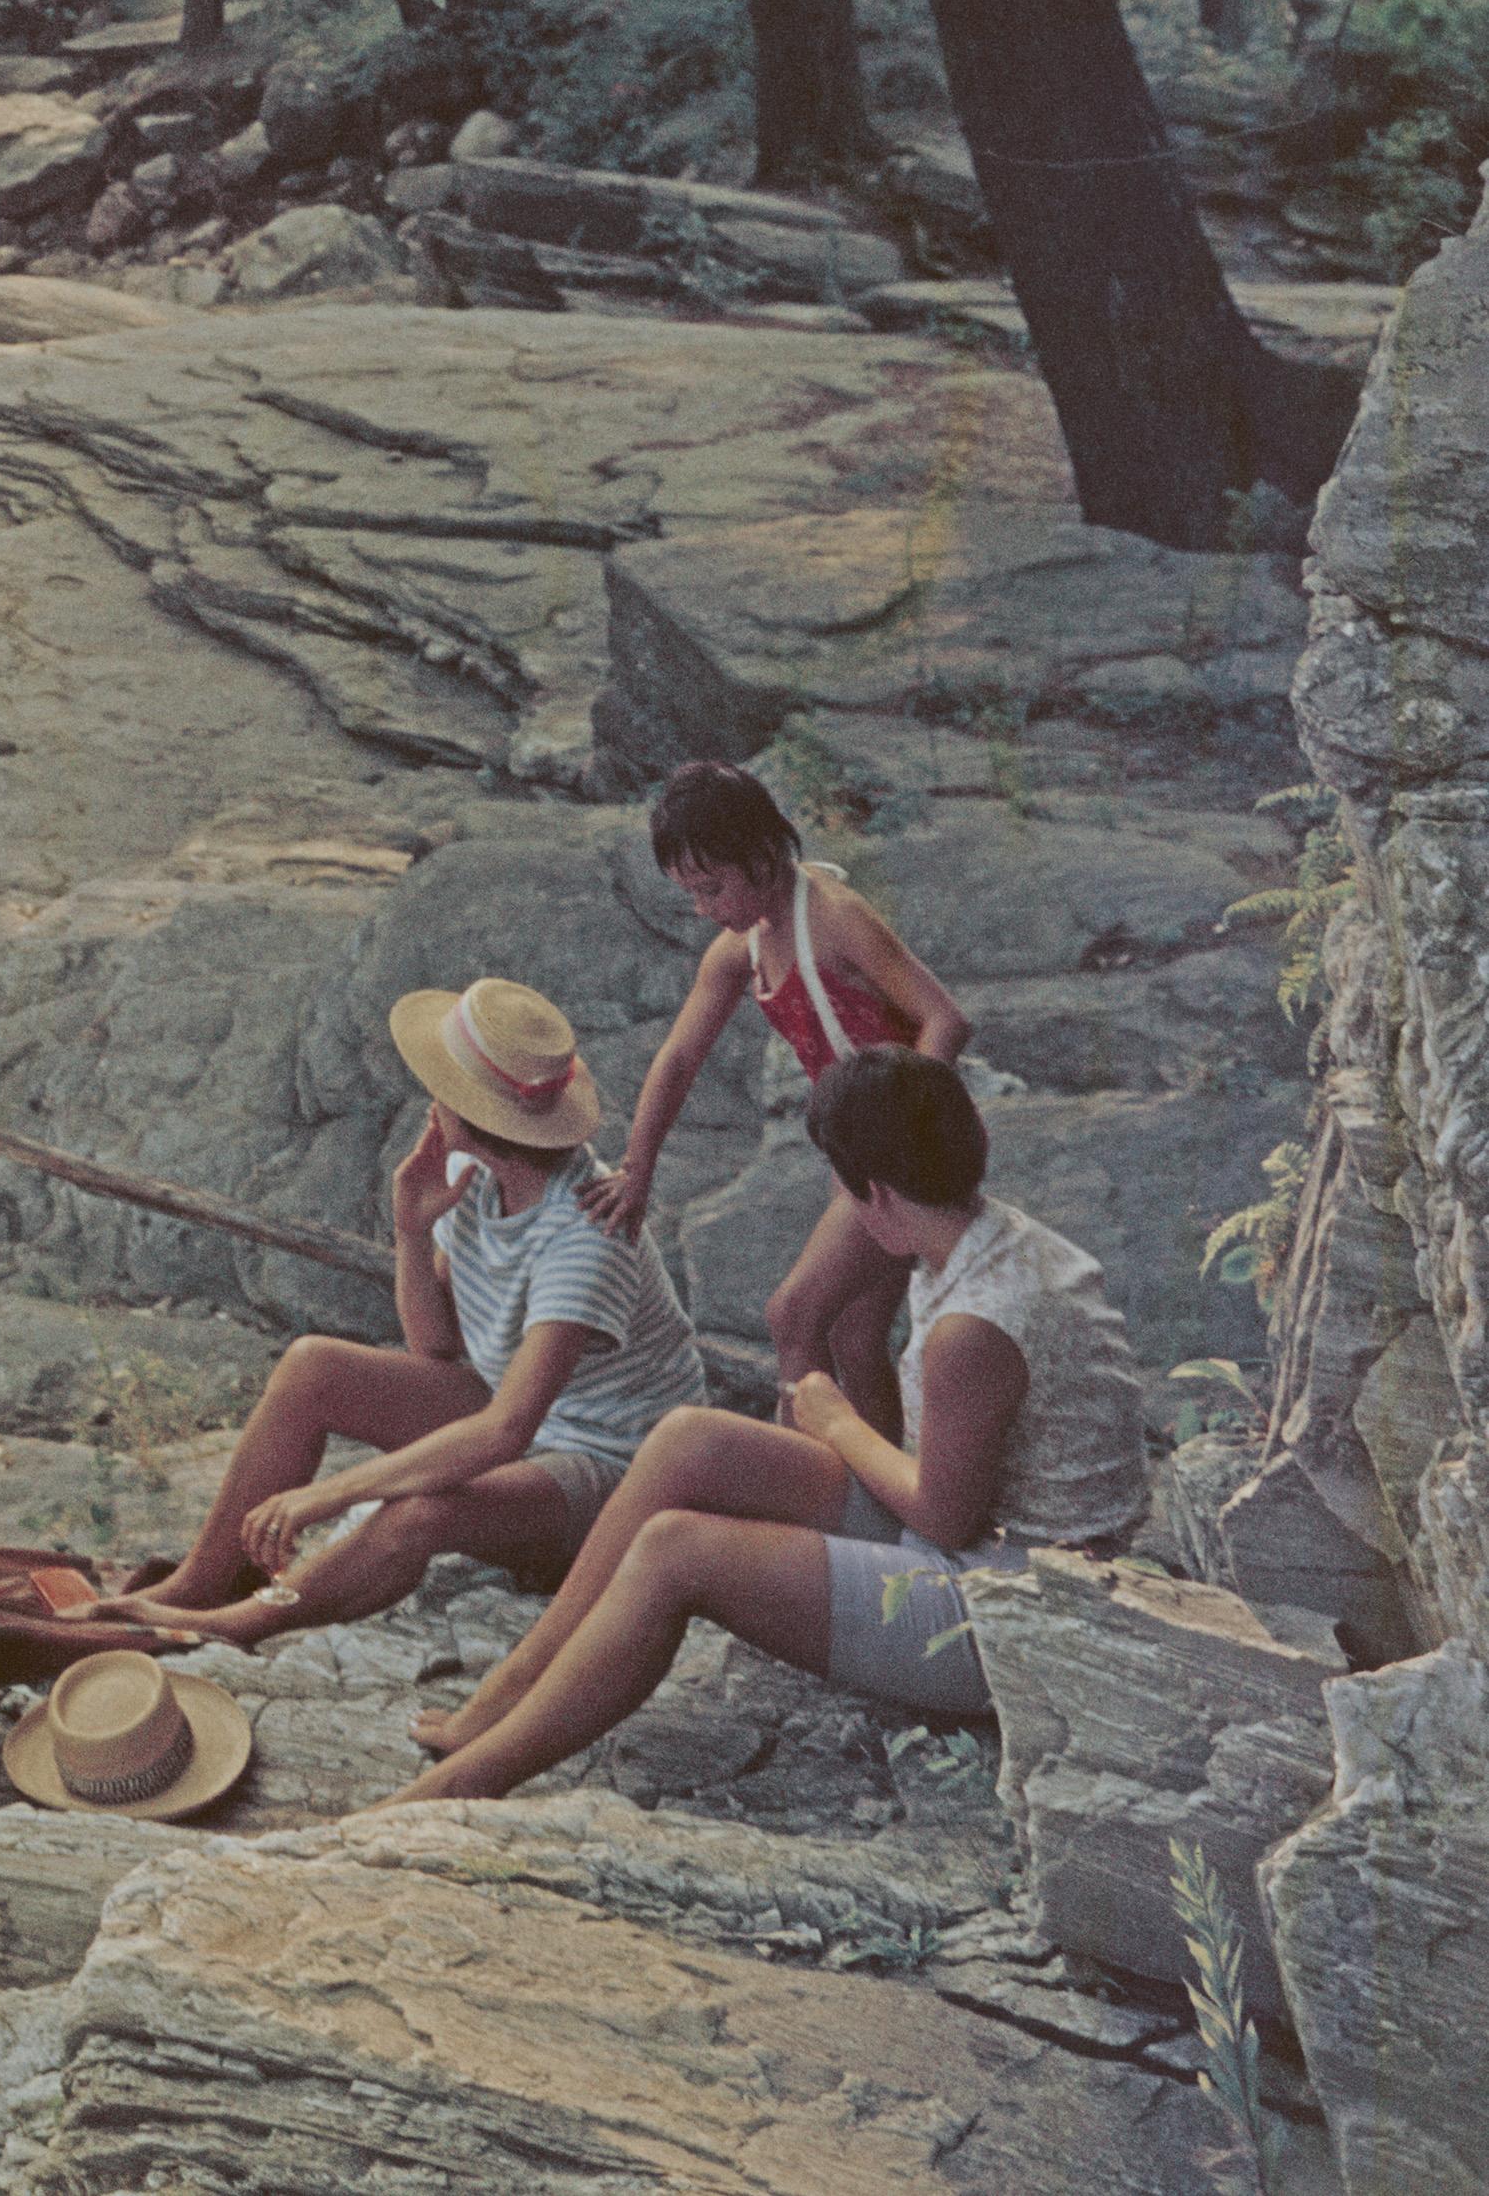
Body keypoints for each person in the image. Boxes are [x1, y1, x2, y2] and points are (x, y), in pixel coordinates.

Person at [395, 1045, 1151, 1798]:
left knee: (675, 1552)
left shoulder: (977, 1326)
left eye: (846, 1191)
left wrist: (836, 1420)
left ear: (878, 1193)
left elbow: (946, 1520)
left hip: (1013, 1609)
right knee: (689, 1437)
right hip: (975, 1538)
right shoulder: (978, 1234)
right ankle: (498, 1699)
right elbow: (809, 1315)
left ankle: (457, 1789)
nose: (842, 1207)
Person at [124, 974, 704, 1650]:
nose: (431, 1098)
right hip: (523, 1419)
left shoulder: (585, 1234)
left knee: (425, 1507)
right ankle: (196, 1584)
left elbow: (503, 1433)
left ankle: (236, 1626)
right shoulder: (485, 1183)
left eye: (443, 1084)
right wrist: (411, 1228)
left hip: (611, 1470)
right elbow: (435, 1347)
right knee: (314, 1366)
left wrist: (332, 1494)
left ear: (476, 1114)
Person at [595, 761, 969, 1433]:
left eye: (713, 888)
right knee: (855, 1339)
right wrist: (637, 1169)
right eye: (692, 894)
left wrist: (898, 1132)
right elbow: (678, 1058)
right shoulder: (744, 945)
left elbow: (944, 1019)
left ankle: (791, 1485)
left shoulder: (835, 918)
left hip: (899, 1149)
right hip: (857, 1152)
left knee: (792, 1314)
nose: (705, 909)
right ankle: (878, 1509)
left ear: (763, 855)